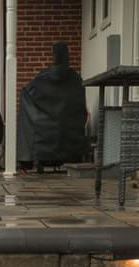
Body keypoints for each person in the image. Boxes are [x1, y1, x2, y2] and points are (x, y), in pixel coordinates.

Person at [17, 41, 88, 172]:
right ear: (68, 56)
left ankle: (27, 157)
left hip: (44, 133)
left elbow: (26, 93)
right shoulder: (76, 79)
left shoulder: (42, 79)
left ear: (53, 56)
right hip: (71, 134)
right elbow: (81, 108)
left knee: (26, 102)